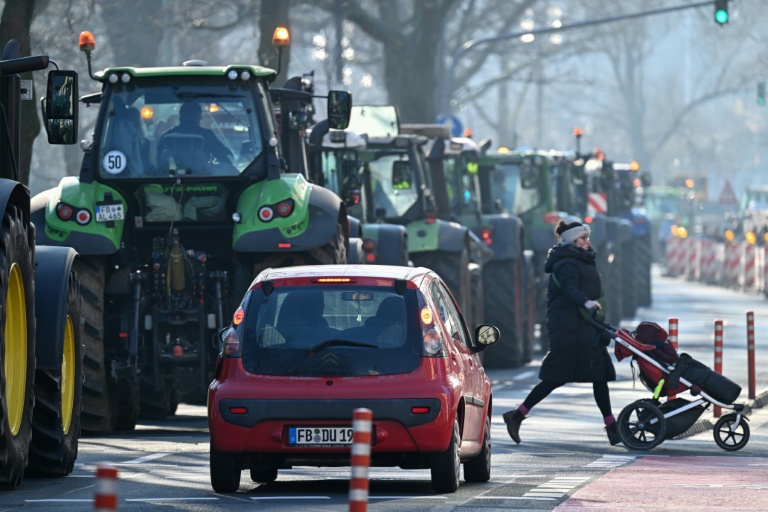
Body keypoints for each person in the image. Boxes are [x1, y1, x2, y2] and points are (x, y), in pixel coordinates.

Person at [502, 220, 619, 446]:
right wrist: (586, 302)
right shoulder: (566, 264)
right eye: (583, 239)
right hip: (568, 329)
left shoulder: (582, 259)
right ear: (571, 242)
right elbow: (570, 290)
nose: (588, 242)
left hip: (585, 326)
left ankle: (612, 427)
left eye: (587, 237)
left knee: (599, 376)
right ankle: (517, 415)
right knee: (555, 377)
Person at [158, 102, 233, 171]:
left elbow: (157, 162)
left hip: (171, 181)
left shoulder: (166, 136)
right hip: (202, 180)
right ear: (199, 118)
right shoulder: (207, 135)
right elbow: (224, 158)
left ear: (180, 118)